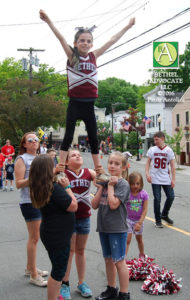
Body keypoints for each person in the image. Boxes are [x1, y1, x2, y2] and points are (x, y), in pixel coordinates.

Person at [39, 10, 135, 171]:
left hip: (90, 105)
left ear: (91, 44)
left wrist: (128, 26)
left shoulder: (94, 56)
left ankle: (98, 169)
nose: (85, 43)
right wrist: (49, 21)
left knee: (94, 137)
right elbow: (61, 38)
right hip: (75, 103)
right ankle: (61, 167)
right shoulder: (72, 56)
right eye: (82, 40)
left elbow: (112, 40)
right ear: (76, 43)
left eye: (88, 41)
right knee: (68, 135)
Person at [29, 154, 78, 300]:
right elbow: (73, 205)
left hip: (51, 233)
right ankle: (53, 297)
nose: (55, 167)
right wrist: (67, 187)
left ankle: (56, 295)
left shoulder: (40, 186)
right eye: (52, 165)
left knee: (57, 267)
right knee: (58, 272)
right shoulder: (54, 189)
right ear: (47, 170)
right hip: (58, 236)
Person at [91, 151, 130, 300]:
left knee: (119, 261)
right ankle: (111, 289)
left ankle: (124, 294)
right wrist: (102, 187)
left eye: (117, 164)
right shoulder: (105, 181)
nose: (112, 166)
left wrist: (111, 186)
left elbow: (114, 205)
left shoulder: (122, 184)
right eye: (110, 163)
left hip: (117, 228)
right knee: (108, 259)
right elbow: (94, 205)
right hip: (104, 226)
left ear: (123, 167)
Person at [60, 149, 96, 299]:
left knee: (80, 251)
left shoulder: (89, 172)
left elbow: (102, 179)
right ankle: (64, 283)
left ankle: (81, 282)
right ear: (67, 162)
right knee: (69, 252)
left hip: (85, 217)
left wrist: (101, 172)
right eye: (73, 155)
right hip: (69, 218)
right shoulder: (63, 175)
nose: (78, 156)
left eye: (79, 155)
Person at [14, 132, 48, 287]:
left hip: (41, 201)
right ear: (24, 145)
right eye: (30, 140)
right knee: (34, 238)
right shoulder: (22, 159)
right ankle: (34, 275)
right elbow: (19, 183)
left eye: (36, 139)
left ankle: (30, 268)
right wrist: (35, 176)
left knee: (36, 237)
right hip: (29, 202)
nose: (34, 142)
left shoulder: (40, 158)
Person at [145, 131, 176, 228]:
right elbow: (148, 163)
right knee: (157, 199)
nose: (155, 142)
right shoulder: (152, 150)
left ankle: (164, 214)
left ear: (162, 139)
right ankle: (158, 220)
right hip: (155, 178)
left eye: (156, 139)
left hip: (165, 178)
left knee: (171, 196)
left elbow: (172, 165)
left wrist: (173, 179)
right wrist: (147, 174)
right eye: (154, 140)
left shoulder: (169, 150)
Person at [125, 172, 148, 259]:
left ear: (141, 184)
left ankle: (142, 254)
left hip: (138, 220)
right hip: (128, 219)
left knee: (139, 239)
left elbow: (145, 209)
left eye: (137, 183)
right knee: (127, 240)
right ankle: (123, 258)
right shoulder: (127, 193)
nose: (135, 186)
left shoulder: (144, 194)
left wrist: (139, 223)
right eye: (133, 184)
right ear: (129, 184)